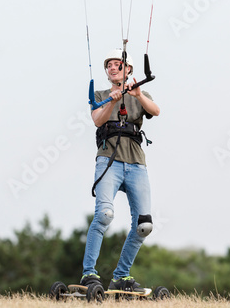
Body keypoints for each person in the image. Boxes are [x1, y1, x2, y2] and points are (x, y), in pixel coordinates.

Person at [80, 49, 160, 292]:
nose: (112, 68)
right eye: (110, 66)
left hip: (136, 163)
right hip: (109, 161)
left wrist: (136, 94)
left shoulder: (140, 94)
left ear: (128, 70)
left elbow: (155, 111)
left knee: (143, 225)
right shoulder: (101, 95)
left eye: (117, 65)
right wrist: (113, 101)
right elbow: (97, 120)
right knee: (104, 215)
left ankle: (121, 277)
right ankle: (88, 273)